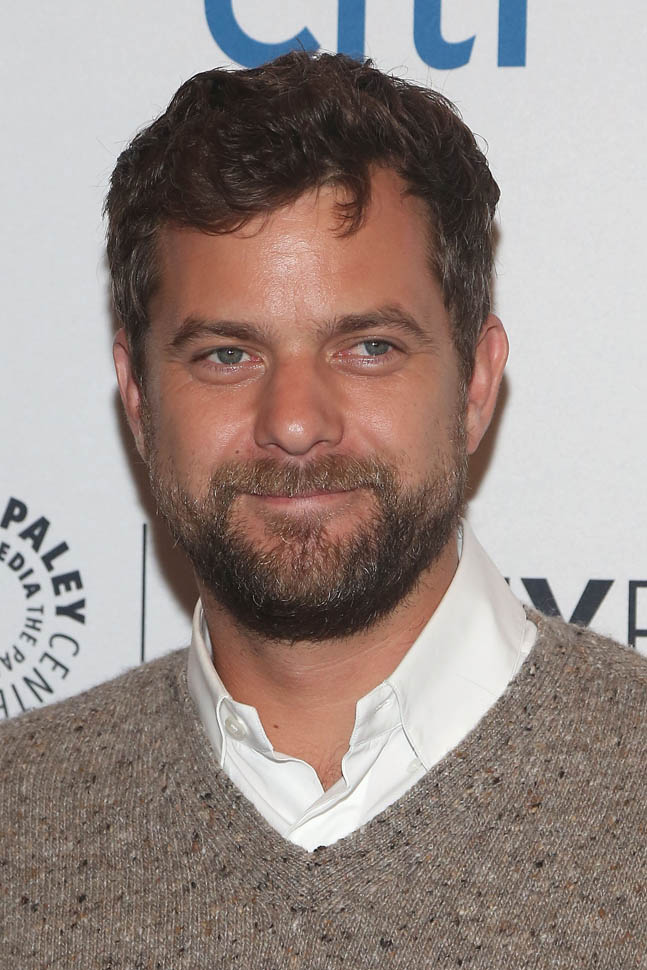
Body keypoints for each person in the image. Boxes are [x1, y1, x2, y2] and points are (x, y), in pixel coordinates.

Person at [1, 52, 645, 968]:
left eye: (368, 347)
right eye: (227, 355)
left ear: (475, 380)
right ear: (138, 399)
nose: (296, 423)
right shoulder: (19, 812)